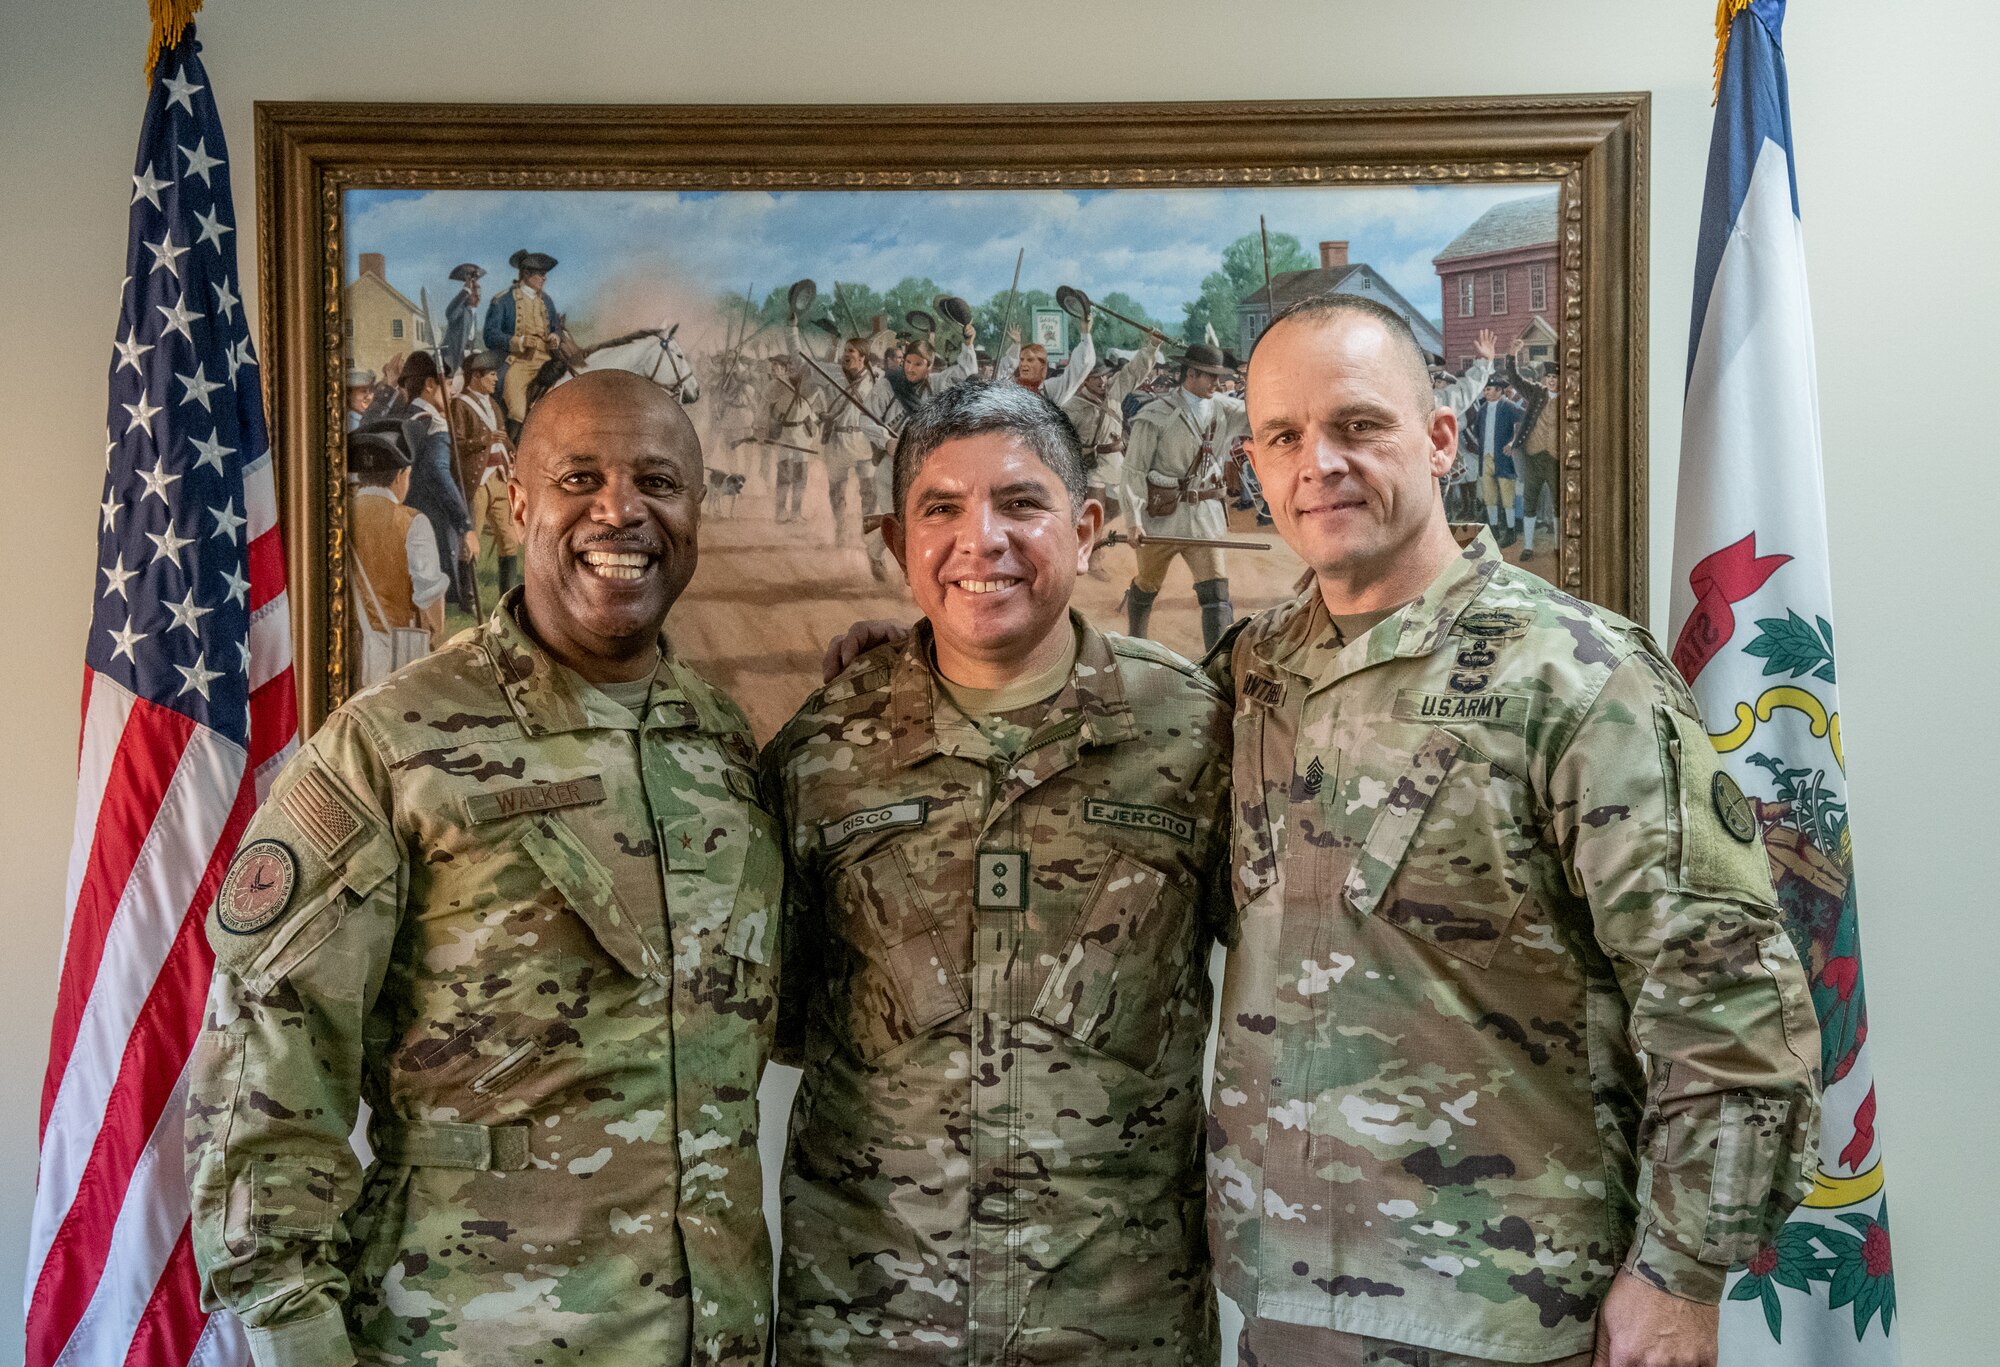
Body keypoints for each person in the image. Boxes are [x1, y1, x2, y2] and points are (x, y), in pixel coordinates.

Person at [1208, 293, 1820, 1367]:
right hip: (1285, 1303)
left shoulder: (1577, 677)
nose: (1320, 464)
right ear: (1256, 463)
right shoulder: (1252, 671)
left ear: (1439, 437)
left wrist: (1680, 1274)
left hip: (1513, 1314)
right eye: (1283, 435)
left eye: (1358, 425)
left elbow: (1725, 999)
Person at [185, 371, 783, 1367]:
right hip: (463, 1336)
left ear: (694, 506)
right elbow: (269, 1064)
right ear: (516, 503)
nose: (620, 509)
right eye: (578, 477)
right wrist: (294, 1336)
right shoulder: (392, 743)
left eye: (657, 480)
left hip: (709, 1334)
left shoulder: (717, 739)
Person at [765, 380, 1233, 1365]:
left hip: (1118, 1326)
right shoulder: (822, 752)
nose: (982, 538)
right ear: (897, 541)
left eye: (1021, 502)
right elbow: (775, 1015)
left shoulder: (1194, 733)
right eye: (941, 507)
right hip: (869, 1324)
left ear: (1088, 525)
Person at [1122, 342, 1248, 650]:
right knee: (1148, 584)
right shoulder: (1156, 414)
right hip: (1162, 516)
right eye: (1209, 376)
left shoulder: (1227, 409)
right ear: (1190, 374)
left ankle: (1215, 662)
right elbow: (1134, 470)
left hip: (1205, 516)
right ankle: (1136, 645)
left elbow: (1266, 414)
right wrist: (1133, 521)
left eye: (1219, 377)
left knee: (1216, 592)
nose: (1217, 384)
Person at [345, 420, 449, 673]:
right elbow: (430, 599)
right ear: (401, 475)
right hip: (394, 657)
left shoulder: (336, 518)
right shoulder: (413, 522)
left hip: (344, 655)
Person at [1060, 331, 1163, 559]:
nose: (1102, 380)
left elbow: (1136, 370)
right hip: (1092, 466)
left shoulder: (1114, 389)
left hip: (1116, 463)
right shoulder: (1073, 406)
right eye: (1096, 377)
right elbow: (1062, 438)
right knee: (1096, 513)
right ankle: (1093, 559)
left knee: (1118, 507)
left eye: (1104, 376)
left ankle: (1082, 536)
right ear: (1085, 379)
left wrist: (1152, 346)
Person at [795, 330, 894, 550]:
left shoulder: (877, 379)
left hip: (863, 442)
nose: (845, 354)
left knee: (868, 493)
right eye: (844, 350)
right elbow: (797, 355)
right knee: (836, 491)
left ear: (863, 358)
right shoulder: (831, 372)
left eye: (851, 351)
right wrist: (793, 328)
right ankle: (840, 533)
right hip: (837, 441)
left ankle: (866, 535)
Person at [395, 351, 477, 614]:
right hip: (431, 521)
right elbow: (439, 475)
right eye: (448, 383)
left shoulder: (406, 417)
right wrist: (465, 525)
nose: (452, 391)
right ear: (430, 385)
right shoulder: (432, 423)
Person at [450, 347, 521, 595]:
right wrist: (485, 439)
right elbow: (456, 444)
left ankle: (508, 595)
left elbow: (502, 440)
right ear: (476, 376)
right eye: (491, 374)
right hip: (477, 482)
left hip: (499, 479)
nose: (496, 379)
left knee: (509, 541)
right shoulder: (459, 405)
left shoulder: (493, 404)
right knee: (472, 541)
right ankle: (466, 596)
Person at [482, 249, 566, 431]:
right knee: (518, 410)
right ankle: (513, 446)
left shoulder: (547, 301)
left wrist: (555, 336)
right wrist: (519, 342)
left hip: (546, 360)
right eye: (541, 274)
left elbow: (556, 328)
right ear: (526, 274)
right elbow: (490, 336)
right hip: (519, 362)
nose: (545, 279)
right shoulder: (503, 300)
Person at [1505, 354, 1561, 562]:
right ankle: (1528, 547)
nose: (1552, 380)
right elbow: (1516, 379)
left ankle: (1558, 546)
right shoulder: (1537, 393)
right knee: (1530, 501)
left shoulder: (1573, 400)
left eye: (1556, 376)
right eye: (1549, 376)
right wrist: (1512, 355)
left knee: (1559, 504)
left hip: (1556, 460)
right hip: (1534, 457)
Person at [759, 352, 825, 525]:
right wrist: (760, 428)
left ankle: (796, 512)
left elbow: (819, 408)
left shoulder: (810, 387)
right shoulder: (777, 385)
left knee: (800, 477)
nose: (793, 370)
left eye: (797, 367)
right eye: (791, 367)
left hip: (803, 437)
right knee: (784, 475)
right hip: (784, 435)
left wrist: (815, 422)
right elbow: (764, 406)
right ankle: (780, 512)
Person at [1462, 370, 1524, 547]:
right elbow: (1476, 432)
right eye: (1485, 389)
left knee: (1507, 497)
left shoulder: (1509, 406)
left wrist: (1513, 443)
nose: (1486, 392)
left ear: (1499, 390)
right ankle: (1495, 529)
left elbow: (1527, 419)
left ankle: (1511, 531)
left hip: (1503, 459)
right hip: (1486, 459)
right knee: (1489, 496)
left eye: (1489, 389)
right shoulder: (1482, 410)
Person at [440, 262, 484, 373]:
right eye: (475, 295)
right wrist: (465, 291)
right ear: (468, 296)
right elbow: (450, 313)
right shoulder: (460, 310)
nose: (478, 299)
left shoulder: (473, 312)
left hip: (465, 355)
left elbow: (470, 338)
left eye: (479, 295)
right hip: (451, 358)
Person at [344, 367, 375, 432]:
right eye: (363, 391)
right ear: (349, 395)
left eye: (371, 391)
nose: (369, 397)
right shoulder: (348, 422)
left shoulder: (369, 418)